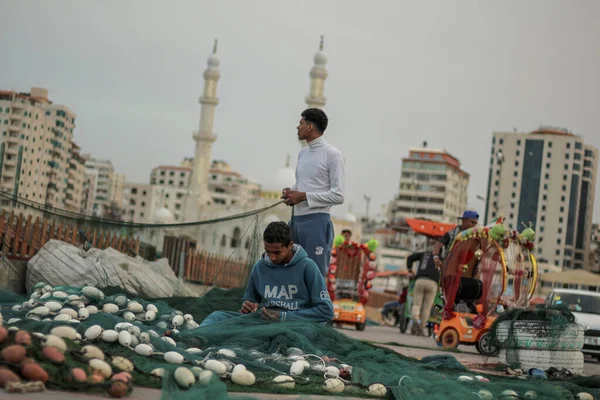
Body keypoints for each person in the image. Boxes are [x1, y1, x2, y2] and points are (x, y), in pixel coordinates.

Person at [200, 222, 334, 327]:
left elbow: (326, 311)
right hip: (262, 322)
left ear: (289, 246)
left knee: (286, 336)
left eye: (277, 252)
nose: (272, 257)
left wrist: (284, 317)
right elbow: (250, 301)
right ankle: (195, 340)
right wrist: (248, 306)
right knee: (217, 316)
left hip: (295, 326)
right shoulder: (260, 267)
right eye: (268, 251)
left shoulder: (308, 267)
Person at [282, 108, 346, 276]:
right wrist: (291, 191)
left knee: (313, 275)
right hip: (296, 221)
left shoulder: (333, 155)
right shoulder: (303, 153)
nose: (297, 127)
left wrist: (302, 196)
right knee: (291, 273)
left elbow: (338, 195)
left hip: (316, 222)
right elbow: (304, 183)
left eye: (301, 123)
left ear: (310, 127)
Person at [406, 247, 440, 336]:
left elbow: (410, 258)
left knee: (417, 304)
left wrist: (410, 270)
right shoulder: (441, 257)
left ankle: (416, 319)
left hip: (420, 280)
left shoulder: (424, 254)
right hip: (433, 283)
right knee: (427, 308)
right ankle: (421, 327)